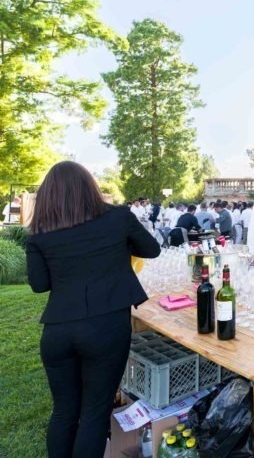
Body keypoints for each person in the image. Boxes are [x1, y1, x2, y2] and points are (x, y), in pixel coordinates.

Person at [25, 161, 160, 458]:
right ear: (90, 188)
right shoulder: (118, 217)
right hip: (106, 327)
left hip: (58, 331)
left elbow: (39, 284)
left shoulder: (39, 233)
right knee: (94, 414)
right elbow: (151, 249)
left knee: (63, 412)